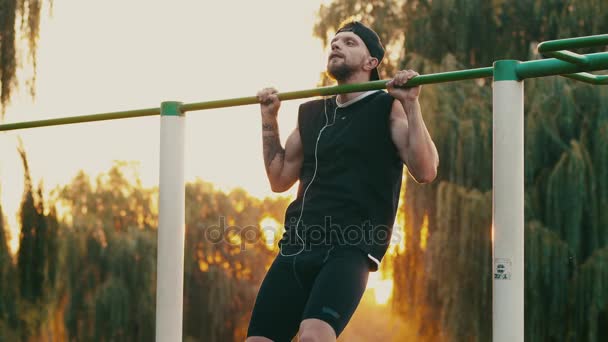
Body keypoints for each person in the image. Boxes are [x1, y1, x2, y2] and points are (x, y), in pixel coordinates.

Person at [247, 20, 439, 342]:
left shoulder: (386, 106)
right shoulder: (311, 113)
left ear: (371, 62)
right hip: (297, 244)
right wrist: (269, 120)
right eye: (335, 42)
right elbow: (279, 179)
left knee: (314, 336)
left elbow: (426, 170)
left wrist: (411, 103)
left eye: (350, 42)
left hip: (350, 246)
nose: (336, 45)